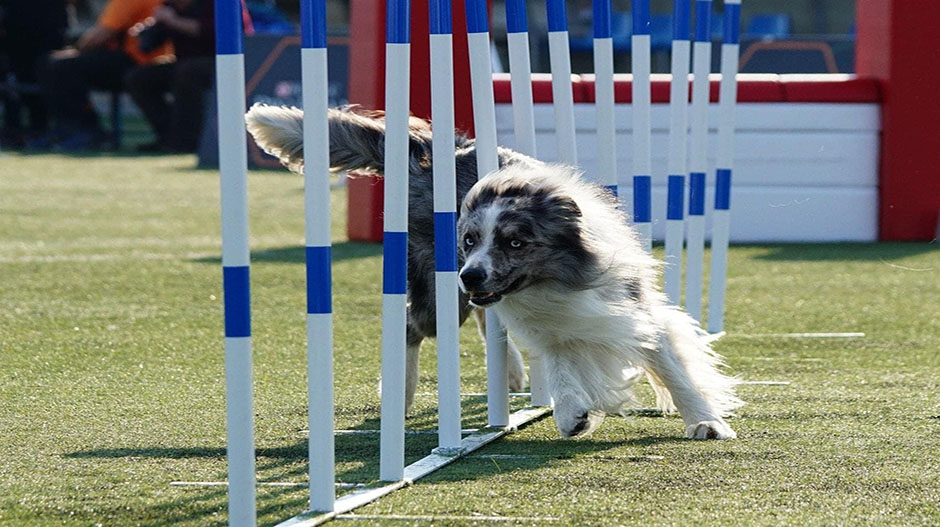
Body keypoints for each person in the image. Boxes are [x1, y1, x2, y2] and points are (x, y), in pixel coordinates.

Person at [39, 0, 170, 150]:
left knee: (61, 66)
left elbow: (102, 33)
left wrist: (75, 50)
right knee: (53, 65)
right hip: (145, 60)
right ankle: (69, 129)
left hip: (136, 61)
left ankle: (84, 130)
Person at [124, 0, 215, 153]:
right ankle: (169, 137)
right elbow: (150, 46)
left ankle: (187, 141)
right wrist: (147, 31)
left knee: (187, 72)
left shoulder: (216, 4)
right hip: (183, 64)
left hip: (222, 63)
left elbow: (212, 31)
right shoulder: (169, 6)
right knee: (139, 78)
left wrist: (173, 21)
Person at [0, 0, 69, 148]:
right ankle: (13, 128)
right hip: (12, 25)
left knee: (42, 72)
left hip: (47, 24)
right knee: (13, 76)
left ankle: (40, 129)